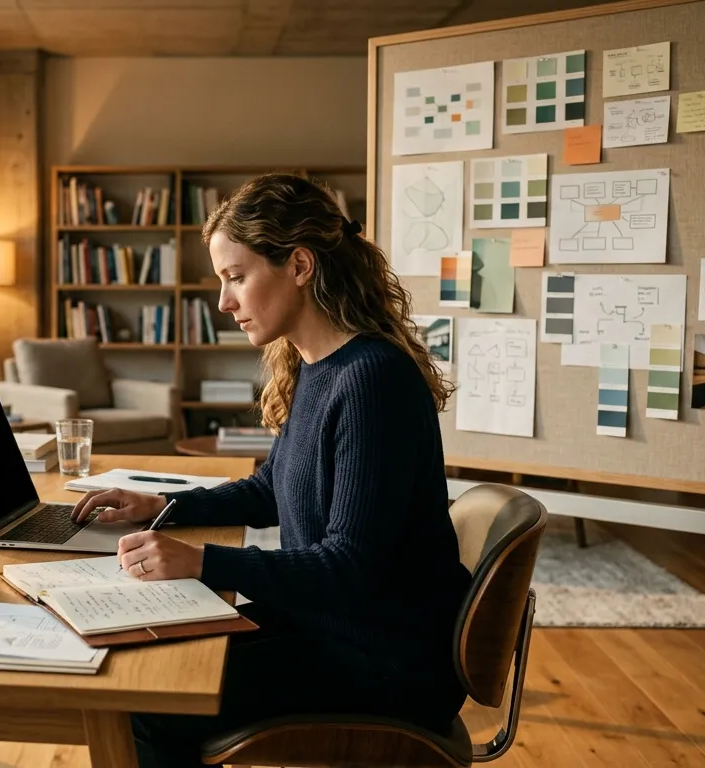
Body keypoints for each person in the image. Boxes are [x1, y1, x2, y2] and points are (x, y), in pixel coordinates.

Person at [70, 172, 473, 768]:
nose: (223, 301)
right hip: (334, 623)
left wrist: (203, 562)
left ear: (300, 266)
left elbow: (352, 566)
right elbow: (271, 489)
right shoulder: (316, 365)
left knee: (154, 697)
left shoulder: (372, 380)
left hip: (386, 657)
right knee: (152, 659)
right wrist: (163, 507)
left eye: (236, 277)